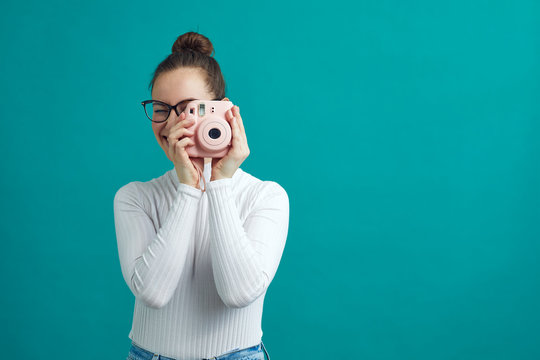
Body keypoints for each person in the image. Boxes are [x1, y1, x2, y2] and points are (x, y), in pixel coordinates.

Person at [113, 31, 289, 360]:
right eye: (160, 108)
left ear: (223, 112)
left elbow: (239, 293)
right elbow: (152, 292)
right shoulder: (135, 198)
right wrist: (188, 190)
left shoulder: (265, 196)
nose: (171, 123)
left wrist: (219, 183)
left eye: (188, 108)